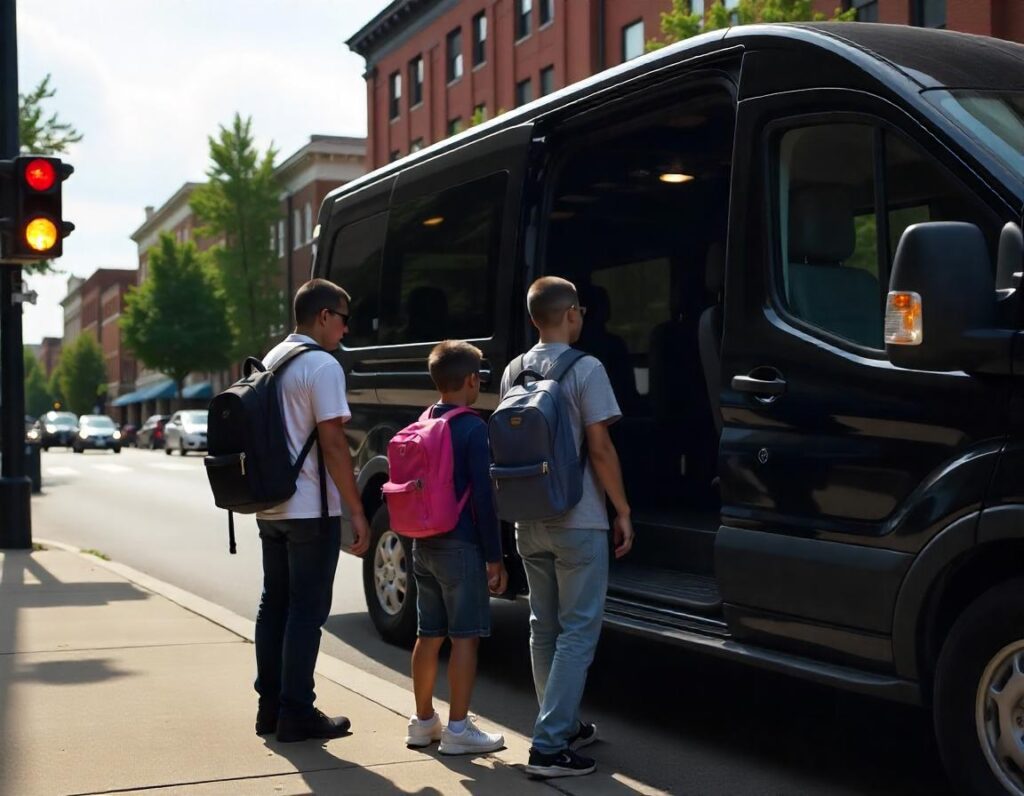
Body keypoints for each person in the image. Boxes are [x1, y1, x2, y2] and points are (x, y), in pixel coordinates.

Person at [499, 276, 635, 779]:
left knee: (544, 627)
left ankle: (563, 724)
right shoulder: (587, 367)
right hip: (578, 519)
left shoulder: (515, 369)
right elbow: (599, 447)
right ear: (573, 313)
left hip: (528, 517)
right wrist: (621, 508)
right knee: (578, 632)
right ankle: (550, 746)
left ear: (536, 318)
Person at [254, 278, 371, 743]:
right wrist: (356, 510)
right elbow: (335, 445)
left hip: (270, 506)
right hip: (310, 508)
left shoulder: (271, 359)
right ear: (324, 316)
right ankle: (298, 711)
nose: (346, 329)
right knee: (306, 610)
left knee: (274, 605)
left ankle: (270, 708)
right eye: (344, 318)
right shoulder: (321, 365)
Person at [405, 340, 509, 754]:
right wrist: (495, 558)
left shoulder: (424, 419)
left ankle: (423, 721)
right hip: (461, 545)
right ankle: (459, 730)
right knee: (465, 637)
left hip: (423, 543)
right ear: (471, 380)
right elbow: (484, 499)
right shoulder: (472, 428)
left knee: (428, 634)